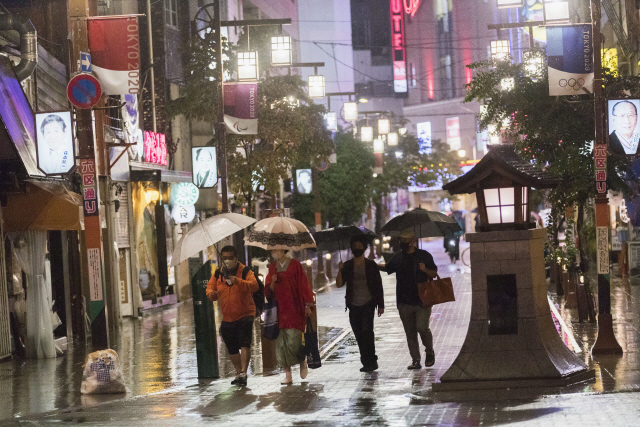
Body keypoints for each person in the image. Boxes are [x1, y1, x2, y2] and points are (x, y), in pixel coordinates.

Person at [379, 229, 438, 369]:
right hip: (404, 301)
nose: (403, 244)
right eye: (401, 242)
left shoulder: (424, 256)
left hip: (423, 299)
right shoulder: (398, 257)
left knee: (422, 328)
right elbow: (388, 268)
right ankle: (415, 360)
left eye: (406, 242)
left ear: (413, 241)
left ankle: (429, 352)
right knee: (410, 332)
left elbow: (434, 274)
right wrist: (371, 265)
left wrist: (425, 270)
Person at [206, 245, 258, 387]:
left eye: (230, 258)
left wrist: (238, 281)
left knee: (244, 342)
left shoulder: (245, 271)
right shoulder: (218, 274)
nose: (227, 260)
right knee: (231, 346)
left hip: (245, 313)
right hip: (227, 316)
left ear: (236, 258)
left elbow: (254, 286)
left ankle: (243, 373)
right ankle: (238, 372)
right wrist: (212, 294)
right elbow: (210, 287)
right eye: (225, 258)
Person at [265, 249, 315, 385]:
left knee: (294, 340)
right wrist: (273, 282)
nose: (274, 251)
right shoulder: (272, 268)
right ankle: (288, 374)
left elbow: (303, 284)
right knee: (280, 344)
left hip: (294, 308)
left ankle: (301, 359)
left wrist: (307, 304)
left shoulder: (295, 265)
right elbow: (268, 292)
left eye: (277, 247)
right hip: (278, 311)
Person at [336, 236, 385, 372]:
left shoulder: (371, 265)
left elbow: (378, 285)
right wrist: (340, 270)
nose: (357, 248)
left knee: (367, 332)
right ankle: (365, 361)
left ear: (364, 248)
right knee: (358, 334)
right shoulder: (347, 265)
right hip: (353, 305)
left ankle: (372, 361)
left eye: (359, 246)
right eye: (354, 246)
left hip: (368, 303)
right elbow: (339, 284)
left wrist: (381, 305)